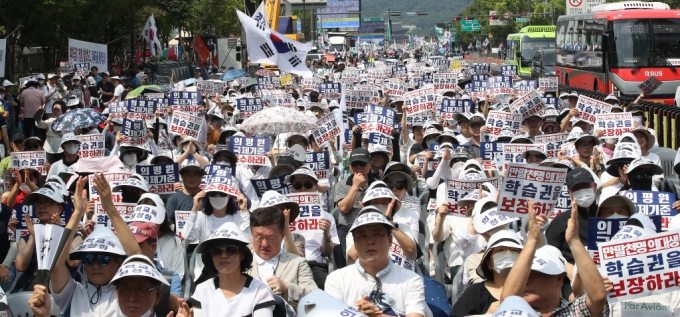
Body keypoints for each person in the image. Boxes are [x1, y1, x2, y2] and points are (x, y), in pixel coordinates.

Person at [50, 174, 143, 317]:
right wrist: (77, 213)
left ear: (119, 262)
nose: (96, 265)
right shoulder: (73, 293)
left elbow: (137, 257)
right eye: (88, 259)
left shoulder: (129, 295)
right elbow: (56, 266)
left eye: (103, 259)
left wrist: (109, 207)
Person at [501, 199, 608, 317]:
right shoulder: (517, 313)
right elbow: (507, 300)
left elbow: (597, 297)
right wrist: (532, 241)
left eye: (533, 275)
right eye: (524, 276)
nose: (525, 282)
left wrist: (574, 241)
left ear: (559, 279)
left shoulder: (575, 311)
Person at [325, 207, 427, 317]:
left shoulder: (411, 279)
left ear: (390, 240)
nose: (370, 241)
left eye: (377, 234)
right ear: (354, 243)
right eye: (363, 236)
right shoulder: (336, 280)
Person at [189, 222, 277, 317]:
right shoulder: (202, 289)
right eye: (216, 251)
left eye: (231, 250)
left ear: (242, 254)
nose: (223, 256)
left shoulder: (259, 290)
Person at [183, 169, 250, 281]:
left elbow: (248, 241)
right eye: (213, 193)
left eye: (222, 193)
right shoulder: (201, 216)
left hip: (234, 272)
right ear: (207, 196)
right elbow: (188, 237)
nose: (217, 197)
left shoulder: (239, 216)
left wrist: (244, 212)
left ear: (229, 195)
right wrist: (194, 209)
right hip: (205, 274)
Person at [246, 206, 318, 308]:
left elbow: (315, 297)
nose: (264, 244)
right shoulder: (240, 262)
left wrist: (287, 287)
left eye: (270, 238)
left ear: (282, 235)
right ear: (252, 235)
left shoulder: (297, 263)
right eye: (259, 238)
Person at [284, 167, 339, 288]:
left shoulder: (327, 217)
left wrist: (326, 234)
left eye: (308, 185)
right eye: (298, 186)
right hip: (286, 265)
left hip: (314, 267)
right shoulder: (282, 215)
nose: (303, 188)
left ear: (316, 187)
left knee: (327, 288)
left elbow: (328, 252)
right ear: (292, 188)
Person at [451, 230, 524, 316]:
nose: (508, 255)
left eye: (514, 250)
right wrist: (487, 315)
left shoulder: (531, 290)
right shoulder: (475, 292)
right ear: (489, 263)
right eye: (500, 250)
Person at [546, 167, 600, 276]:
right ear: (570, 193)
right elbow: (549, 254)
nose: (582, 191)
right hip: (573, 280)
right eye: (577, 189)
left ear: (594, 187)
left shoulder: (606, 215)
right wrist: (566, 268)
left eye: (585, 186)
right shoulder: (560, 222)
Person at [335, 148, 377, 253]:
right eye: (355, 164)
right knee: (338, 246)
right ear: (349, 166)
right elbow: (344, 208)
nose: (358, 167)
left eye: (362, 164)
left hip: (372, 224)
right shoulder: (341, 185)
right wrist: (355, 186)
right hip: (347, 226)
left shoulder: (377, 184)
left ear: (370, 164)